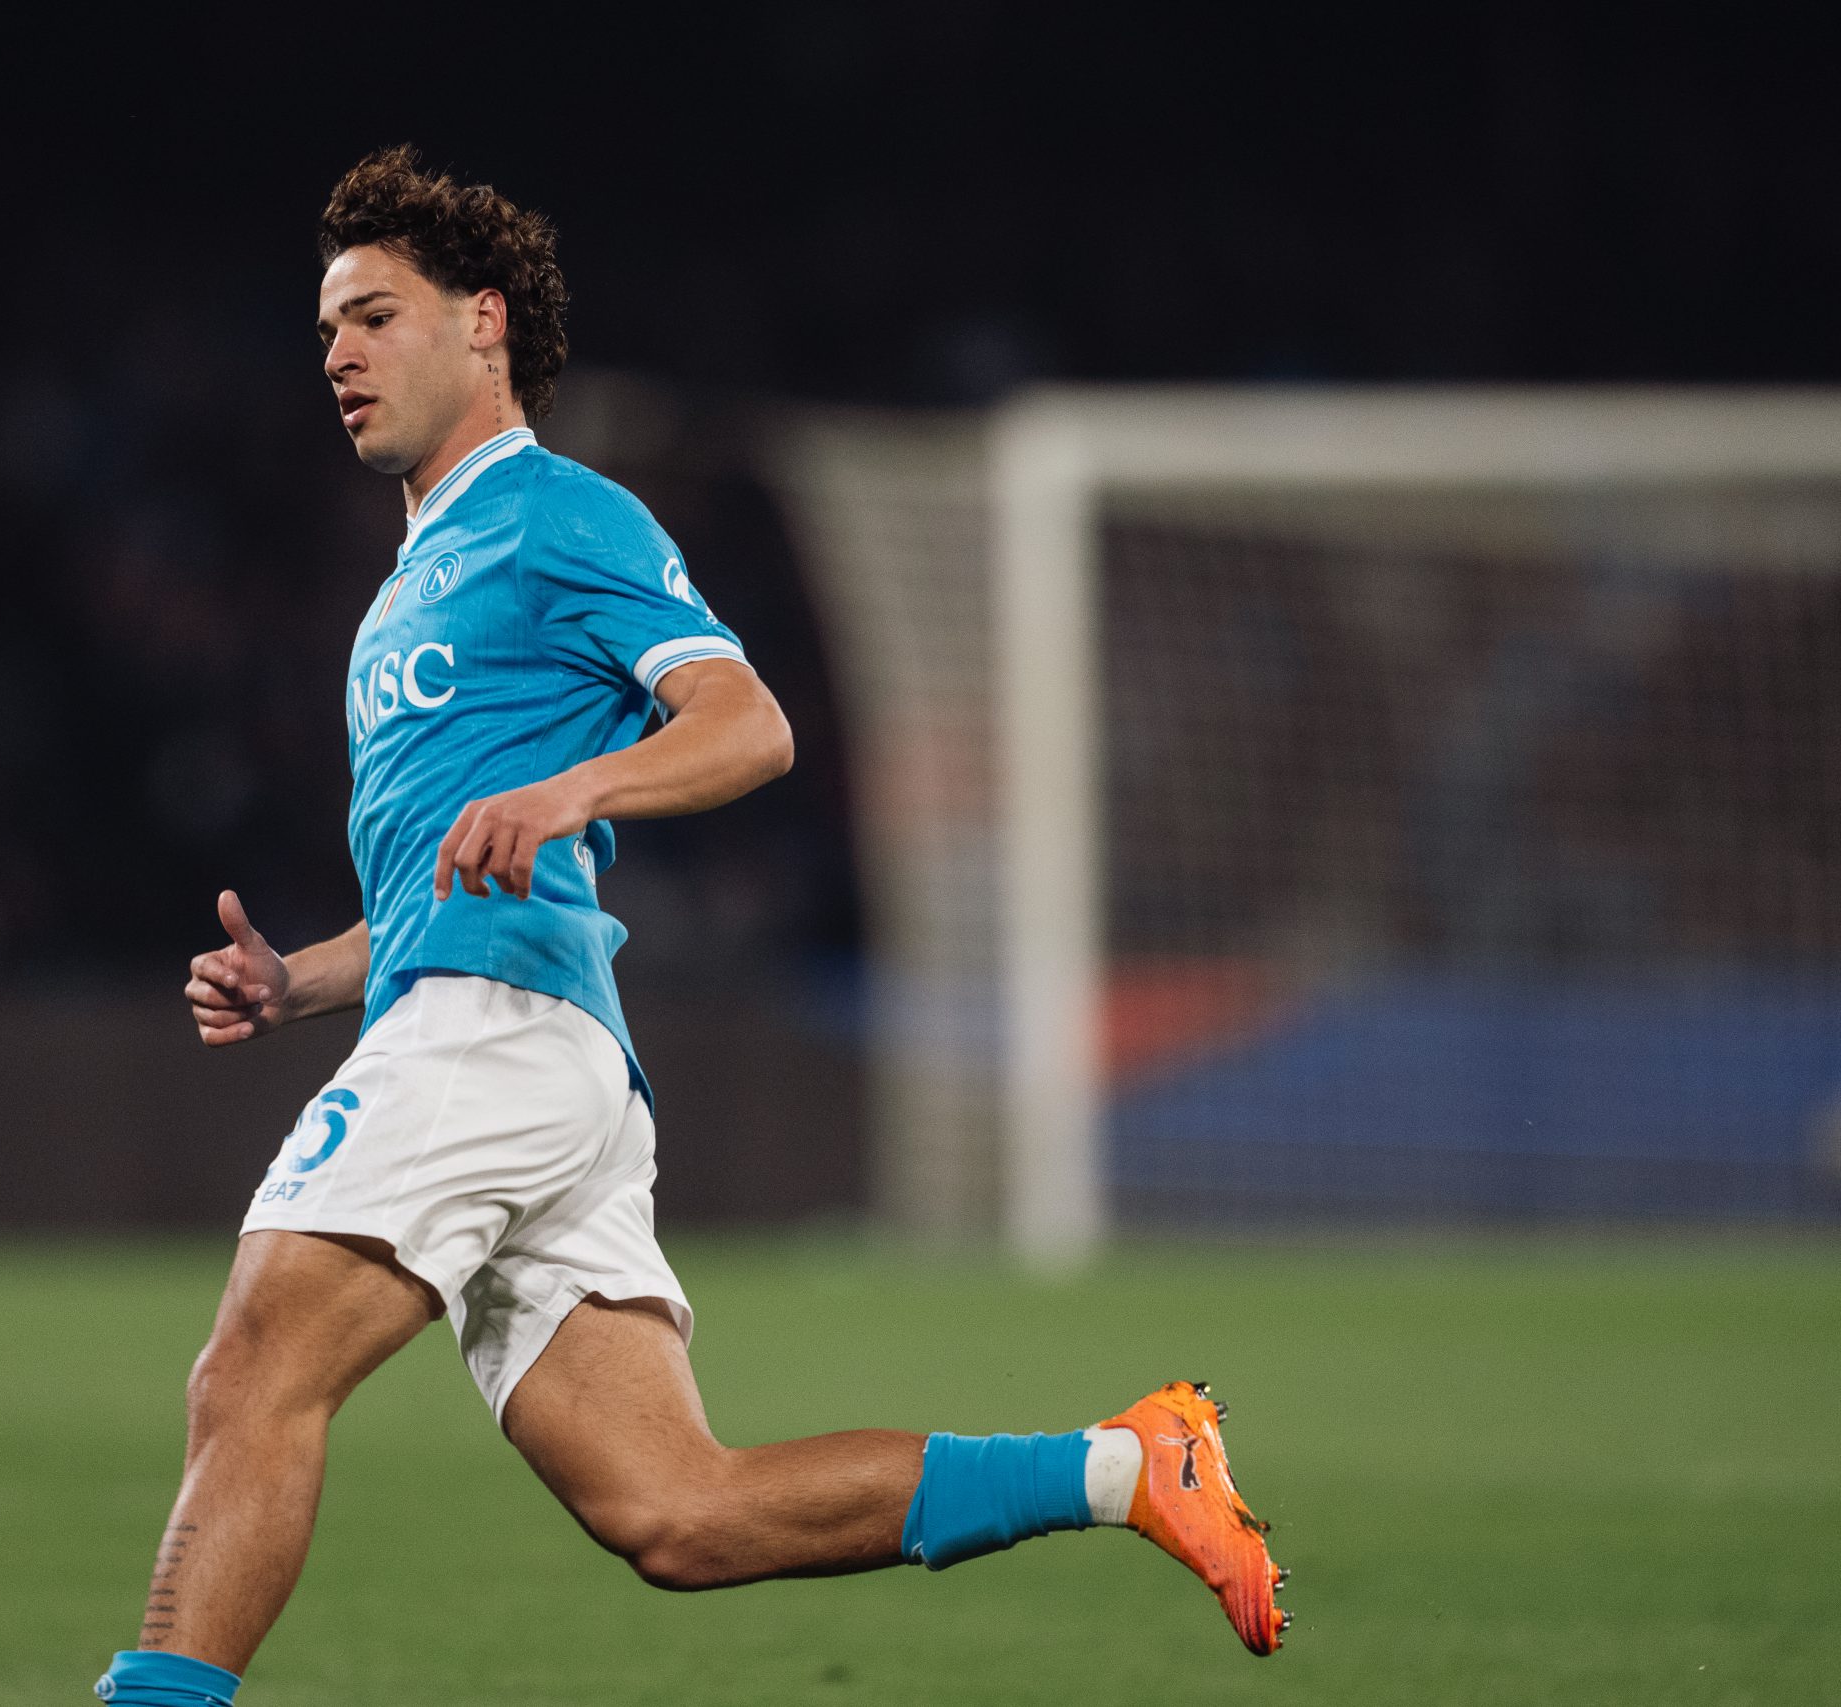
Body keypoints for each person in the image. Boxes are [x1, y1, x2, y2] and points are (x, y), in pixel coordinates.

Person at [94, 147, 1286, 1707]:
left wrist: (575, 787)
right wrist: (298, 979)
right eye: (326, 329)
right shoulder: (411, 579)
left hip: (491, 1042)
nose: (338, 353)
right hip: (520, 1044)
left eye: (374, 316)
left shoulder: (554, 514)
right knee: (679, 1510)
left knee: (255, 1370)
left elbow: (748, 723)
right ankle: (1130, 1466)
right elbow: (458, 879)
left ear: (483, 323)